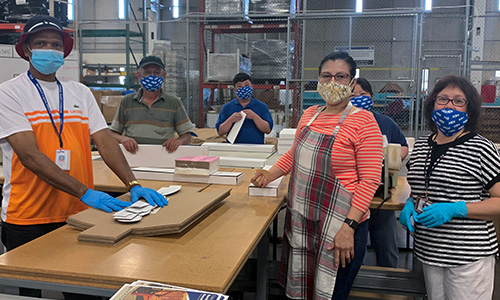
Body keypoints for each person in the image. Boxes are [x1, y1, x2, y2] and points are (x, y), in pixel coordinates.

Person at [0, 15, 167, 299]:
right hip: (28, 216)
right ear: (26, 49)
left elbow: (104, 140)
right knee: (26, 294)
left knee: (84, 290)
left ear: (64, 51)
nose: (49, 49)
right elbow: (29, 156)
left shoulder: (80, 91)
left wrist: (132, 183)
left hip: (77, 214)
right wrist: (87, 193)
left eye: (55, 44)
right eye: (40, 43)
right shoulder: (9, 93)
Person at [251, 52, 383, 300]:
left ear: (353, 83)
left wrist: (349, 227)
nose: (333, 82)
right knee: (303, 290)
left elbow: (370, 180)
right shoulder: (310, 114)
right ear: (319, 80)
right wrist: (269, 175)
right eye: (326, 76)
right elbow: (294, 154)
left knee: (331, 292)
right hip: (304, 221)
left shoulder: (364, 121)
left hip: (341, 226)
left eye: (341, 76)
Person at [400, 75, 500, 300]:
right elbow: (419, 186)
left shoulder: (481, 148)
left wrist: (457, 209)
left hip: (468, 257)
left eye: (458, 101)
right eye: (443, 99)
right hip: (429, 252)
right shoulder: (423, 144)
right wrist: (410, 202)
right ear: (432, 103)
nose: (449, 105)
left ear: (469, 109)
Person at [350, 77, 409, 268]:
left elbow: (403, 147)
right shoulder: (342, 123)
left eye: (363, 94)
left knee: (386, 246)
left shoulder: (385, 122)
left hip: (381, 195)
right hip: (349, 197)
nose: (358, 98)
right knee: (349, 246)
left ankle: (389, 283)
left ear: (372, 98)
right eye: (353, 95)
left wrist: (392, 158)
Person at [109, 55, 195, 154]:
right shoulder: (127, 102)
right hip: (133, 157)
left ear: (164, 76)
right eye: (147, 73)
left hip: (164, 157)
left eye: (157, 73)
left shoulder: (174, 103)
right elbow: (112, 133)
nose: (152, 76)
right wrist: (123, 139)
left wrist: (178, 141)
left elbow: (187, 136)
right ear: (138, 76)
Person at [216, 73, 273, 144]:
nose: (243, 88)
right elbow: (220, 132)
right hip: (233, 148)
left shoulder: (261, 106)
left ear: (251, 87)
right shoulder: (227, 107)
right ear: (235, 90)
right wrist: (231, 120)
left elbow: (267, 130)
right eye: (239, 86)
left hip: (256, 148)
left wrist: (254, 117)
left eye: (246, 85)